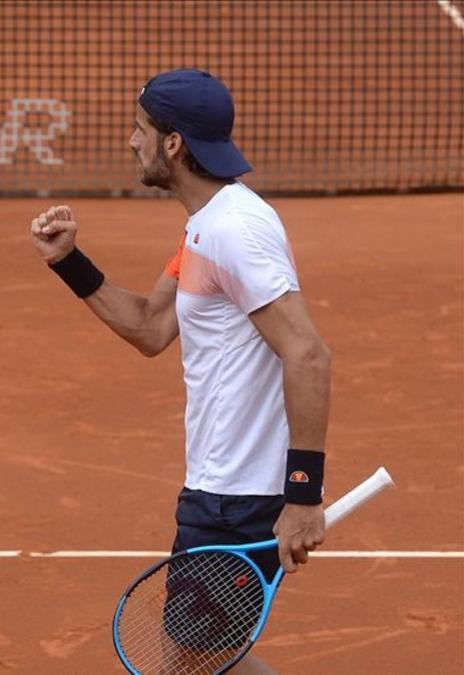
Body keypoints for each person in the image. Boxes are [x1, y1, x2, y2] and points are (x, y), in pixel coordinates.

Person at [29, 69, 332, 674]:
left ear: (173, 144)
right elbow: (150, 327)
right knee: (207, 664)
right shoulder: (206, 226)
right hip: (217, 485)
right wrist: (69, 262)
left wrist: (303, 496)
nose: (131, 142)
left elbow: (308, 353)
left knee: (191, 666)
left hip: (237, 498)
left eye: (140, 130)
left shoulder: (234, 231)